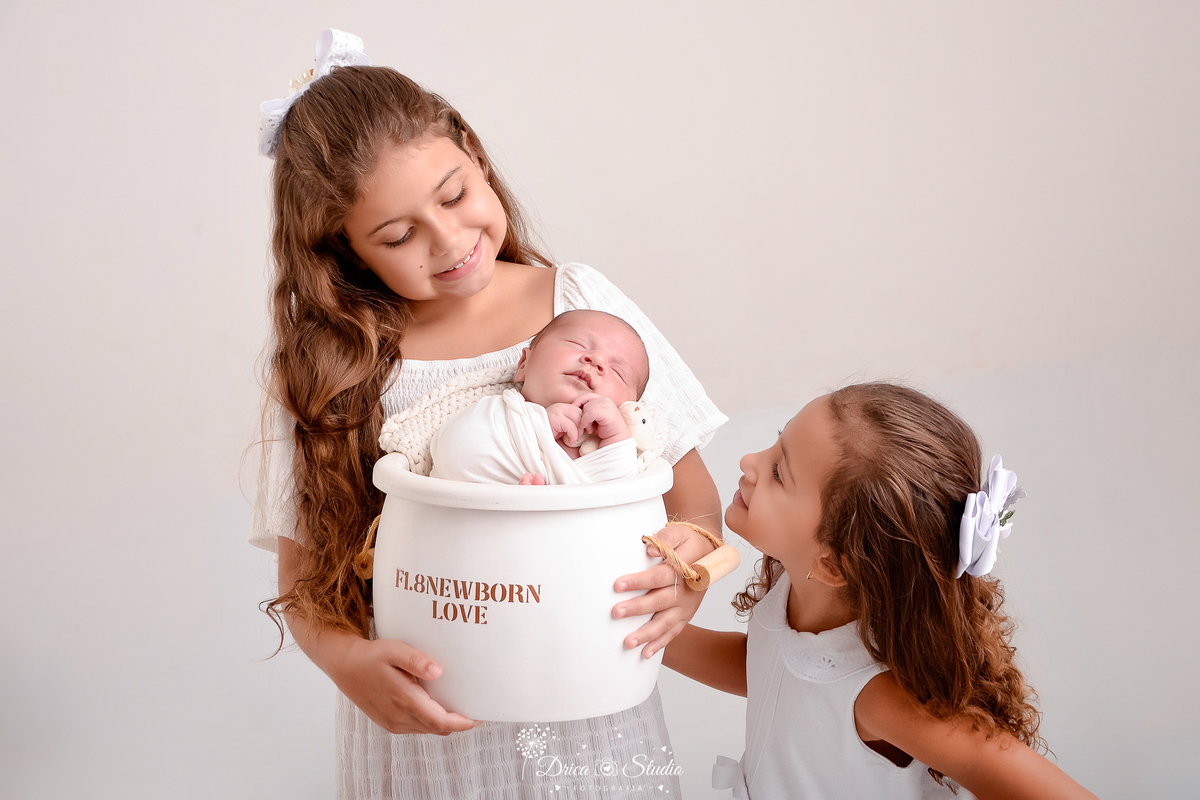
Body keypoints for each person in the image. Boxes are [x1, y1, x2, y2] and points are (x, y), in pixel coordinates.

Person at [250, 31, 726, 798]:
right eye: (398, 236)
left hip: (586, 711)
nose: (450, 241)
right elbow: (302, 580)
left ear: (472, 152)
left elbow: (695, 501)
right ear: (346, 248)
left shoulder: (578, 307)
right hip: (428, 732)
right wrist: (347, 662)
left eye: (454, 195)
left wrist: (687, 572)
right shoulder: (332, 365)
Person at [662, 383, 1099, 800]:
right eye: (778, 440)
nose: (749, 461)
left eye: (779, 472)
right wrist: (655, 636)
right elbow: (769, 669)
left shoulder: (881, 695)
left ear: (834, 564)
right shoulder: (799, 583)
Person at [429, 309, 651, 485]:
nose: (597, 360)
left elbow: (624, 501)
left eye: (618, 371)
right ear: (524, 364)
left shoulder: (611, 448)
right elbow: (452, 454)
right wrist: (538, 428)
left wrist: (618, 439)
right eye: (578, 344)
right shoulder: (498, 413)